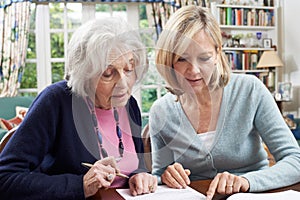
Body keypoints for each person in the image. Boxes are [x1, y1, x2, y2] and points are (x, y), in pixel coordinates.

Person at [149, 5, 300, 200]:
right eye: (181, 59)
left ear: (218, 53)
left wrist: (247, 181)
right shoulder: (161, 112)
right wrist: (166, 175)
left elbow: (295, 160)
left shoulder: (250, 90)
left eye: (204, 58)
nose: (193, 70)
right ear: (168, 60)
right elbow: (159, 174)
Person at [0, 18, 157, 199]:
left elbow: (134, 166)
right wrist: (80, 185)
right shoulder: (55, 101)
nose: (123, 84)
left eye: (129, 69)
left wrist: (140, 175)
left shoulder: (129, 105)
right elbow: (5, 178)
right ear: (85, 73)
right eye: (108, 73)